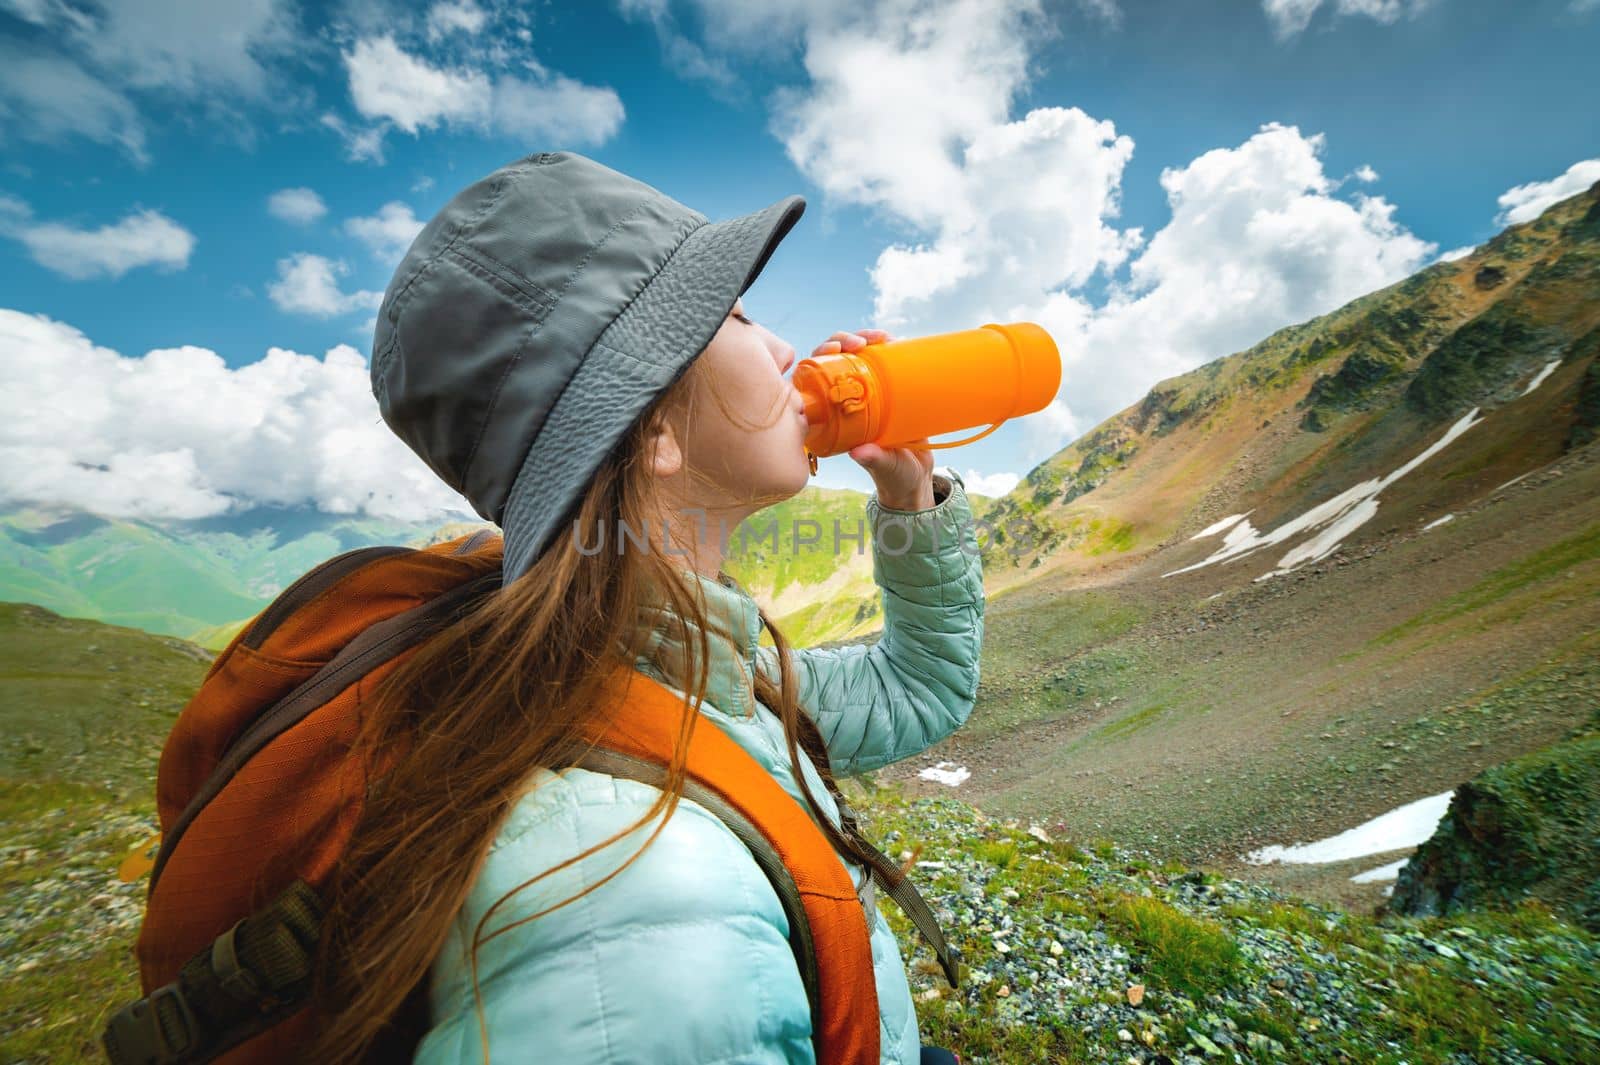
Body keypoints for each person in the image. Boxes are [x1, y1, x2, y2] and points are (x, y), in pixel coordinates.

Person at [304, 150, 983, 1064]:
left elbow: (917, 687)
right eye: (737, 316)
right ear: (654, 428)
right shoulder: (629, 891)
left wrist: (910, 500)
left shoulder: (690, 672)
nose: (787, 349)